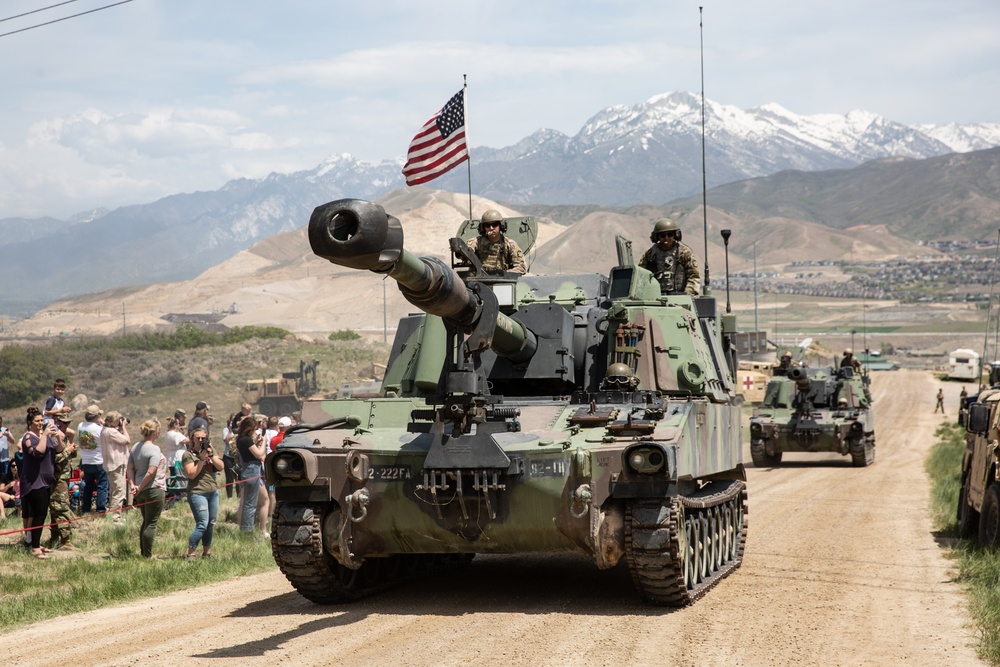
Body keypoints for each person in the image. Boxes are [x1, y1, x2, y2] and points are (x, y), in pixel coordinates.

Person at [20, 407, 63, 558]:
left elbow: (59, 449)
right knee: (39, 514)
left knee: (41, 514)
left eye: (41, 421)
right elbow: (37, 453)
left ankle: (36, 542)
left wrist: (55, 436)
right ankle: (34, 547)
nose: (40, 423)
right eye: (37, 421)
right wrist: (44, 435)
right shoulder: (28, 437)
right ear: (29, 422)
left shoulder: (46, 436)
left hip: (46, 481)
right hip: (34, 482)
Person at [127, 419, 167, 558]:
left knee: (145, 521)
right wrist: (140, 486)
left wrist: (133, 485)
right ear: (155, 432)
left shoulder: (135, 447)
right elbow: (151, 471)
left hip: (140, 491)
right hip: (153, 488)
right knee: (151, 523)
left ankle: (144, 553)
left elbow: (130, 468)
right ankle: (147, 556)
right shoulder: (154, 449)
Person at [182, 427, 223, 559]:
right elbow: (191, 474)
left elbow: (221, 466)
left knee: (211, 523)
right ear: (192, 440)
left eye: (203, 438)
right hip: (197, 492)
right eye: (198, 438)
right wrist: (200, 459)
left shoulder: (211, 450)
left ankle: (207, 552)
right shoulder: (188, 455)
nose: (200, 440)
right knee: (202, 523)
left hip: (212, 491)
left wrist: (211, 455)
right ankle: (191, 552)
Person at [638, 218, 701, 296]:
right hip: (656, 298)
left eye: (670, 234)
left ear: (676, 235)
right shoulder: (650, 254)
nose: (666, 238)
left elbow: (693, 276)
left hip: (680, 297)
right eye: (663, 235)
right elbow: (640, 276)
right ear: (657, 237)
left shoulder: (683, 253)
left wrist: (688, 294)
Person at [47, 413, 78, 550]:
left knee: (57, 507)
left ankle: (55, 538)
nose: (66, 425)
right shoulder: (55, 436)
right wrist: (68, 450)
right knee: (61, 507)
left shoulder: (62, 435)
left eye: (67, 422)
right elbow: (54, 460)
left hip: (64, 476)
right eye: (63, 422)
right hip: (58, 477)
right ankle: (65, 540)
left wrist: (71, 450)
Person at [466, 209, 526, 275]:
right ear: (483, 228)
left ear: (501, 226)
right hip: (479, 280)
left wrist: (503, 273)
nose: (491, 228)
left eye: (494, 225)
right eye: (487, 225)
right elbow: (467, 252)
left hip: (502, 282)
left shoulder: (509, 244)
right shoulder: (477, 241)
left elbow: (522, 268)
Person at [236, 415, 267, 536]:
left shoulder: (241, 439)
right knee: (250, 505)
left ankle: (246, 530)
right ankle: (247, 532)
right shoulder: (246, 440)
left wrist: (256, 443)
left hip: (249, 470)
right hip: (252, 471)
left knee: (251, 502)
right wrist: (264, 443)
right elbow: (260, 456)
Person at [100, 411, 132, 523]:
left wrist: (121, 427)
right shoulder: (112, 432)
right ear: (113, 421)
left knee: (114, 491)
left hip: (111, 464)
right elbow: (127, 440)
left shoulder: (104, 430)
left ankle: (113, 515)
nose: (119, 421)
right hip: (117, 464)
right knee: (119, 491)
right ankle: (115, 518)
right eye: (118, 419)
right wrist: (124, 427)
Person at [77, 405, 108, 515]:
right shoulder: (99, 429)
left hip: (86, 461)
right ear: (97, 416)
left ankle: (86, 508)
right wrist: (104, 424)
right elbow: (108, 436)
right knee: (102, 486)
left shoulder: (80, 426)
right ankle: (100, 510)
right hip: (99, 461)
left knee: (88, 487)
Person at [0, 415, 13, 480]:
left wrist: (8, 436)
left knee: (5, 478)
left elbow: (13, 441)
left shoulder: (5, 430)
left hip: (5, 460)